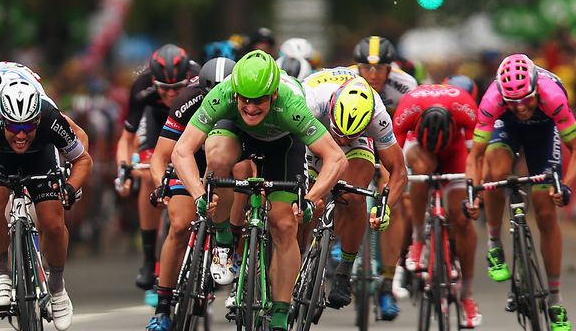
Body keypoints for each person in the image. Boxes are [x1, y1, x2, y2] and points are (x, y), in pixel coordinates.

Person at [171, 50, 347, 331]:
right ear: (235, 92)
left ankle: (279, 313)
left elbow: (336, 158)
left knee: (284, 224)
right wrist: (198, 195)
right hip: (236, 133)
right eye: (245, 100)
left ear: (274, 95)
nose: (251, 108)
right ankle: (224, 239)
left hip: (283, 145)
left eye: (260, 101)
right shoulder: (223, 94)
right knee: (216, 161)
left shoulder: (292, 105)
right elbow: (181, 151)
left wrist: (311, 199)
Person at [0, 79, 93, 331]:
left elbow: (83, 160)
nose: (22, 134)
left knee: (53, 223)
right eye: (14, 127)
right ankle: (2, 273)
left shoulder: (50, 118)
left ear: (38, 120)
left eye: (28, 126)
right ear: (2, 120)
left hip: (40, 157)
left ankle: (57, 287)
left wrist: (71, 186)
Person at [465, 54, 576, 331]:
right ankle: (494, 243)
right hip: (504, 128)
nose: (520, 107)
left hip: (543, 131)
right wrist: (473, 193)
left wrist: (564, 185)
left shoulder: (553, 96)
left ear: (536, 90)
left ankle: (555, 299)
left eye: (526, 99)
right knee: (495, 174)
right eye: (513, 102)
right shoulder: (493, 99)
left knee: (545, 213)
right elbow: (476, 157)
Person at [300, 68, 408, 320]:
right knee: (306, 197)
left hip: (357, 146)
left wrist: (385, 208)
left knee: (355, 196)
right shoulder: (312, 99)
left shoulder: (377, 114)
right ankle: (298, 253)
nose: (342, 140)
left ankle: (344, 272)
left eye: (350, 135)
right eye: (341, 133)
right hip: (315, 130)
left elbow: (399, 172)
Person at [144, 57, 235, 331]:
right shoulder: (187, 100)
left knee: (240, 176)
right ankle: (162, 308)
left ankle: (229, 244)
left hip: (226, 160)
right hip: (190, 160)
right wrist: (161, 185)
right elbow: (160, 156)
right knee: (180, 225)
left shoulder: (246, 102)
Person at [392, 82, 482, 327]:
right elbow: (393, 158)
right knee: (421, 170)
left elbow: (477, 156)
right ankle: (419, 239)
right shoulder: (408, 108)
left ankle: (467, 295)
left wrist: (474, 195)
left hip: (456, 150)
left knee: (461, 218)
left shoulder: (465, 107)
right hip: (416, 144)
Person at [114, 44, 200, 290]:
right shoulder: (142, 85)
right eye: (164, 89)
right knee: (150, 176)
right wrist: (124, 169)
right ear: (154, 81)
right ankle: (149, 259)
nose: (171, 95)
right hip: (156, 122)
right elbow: (126, 138)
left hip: (189, 120)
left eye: (176, 88)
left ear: (187, 79)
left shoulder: (197, 77)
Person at [349, 35, 418, 316]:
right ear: (357, 67)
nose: (373, 74)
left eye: (380, 68)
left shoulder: (405, 86)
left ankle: (388, 283)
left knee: (396, 200)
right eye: (366, 68)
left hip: (392, 142)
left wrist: (391, 171)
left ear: (391, 68)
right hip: (354, 139)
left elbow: (407, 135)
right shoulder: (347, 81)